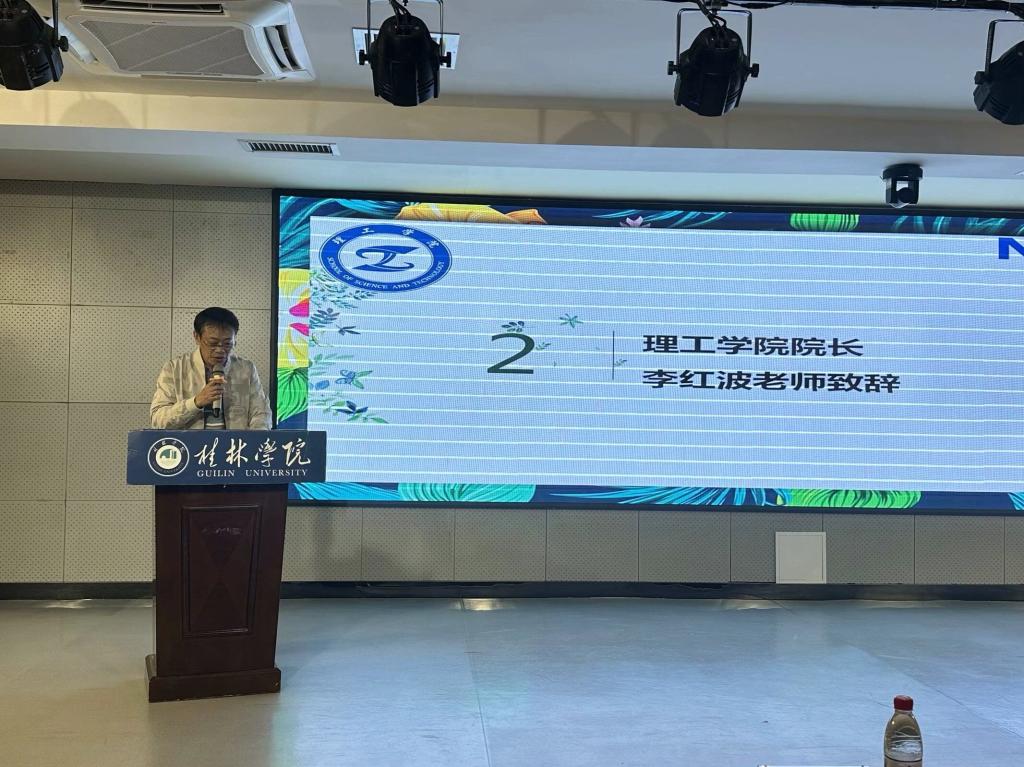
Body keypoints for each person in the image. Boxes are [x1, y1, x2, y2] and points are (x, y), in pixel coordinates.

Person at [151, 307, 272, 430]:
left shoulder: (246, 369)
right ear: (197, 337)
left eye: (227, 344)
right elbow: (158, 420)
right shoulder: (174, 369)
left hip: (235, 442)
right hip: (190, 442)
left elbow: (261, 414)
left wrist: (254, 438)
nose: (220, 350)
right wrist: (195, 402)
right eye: (213, 343)